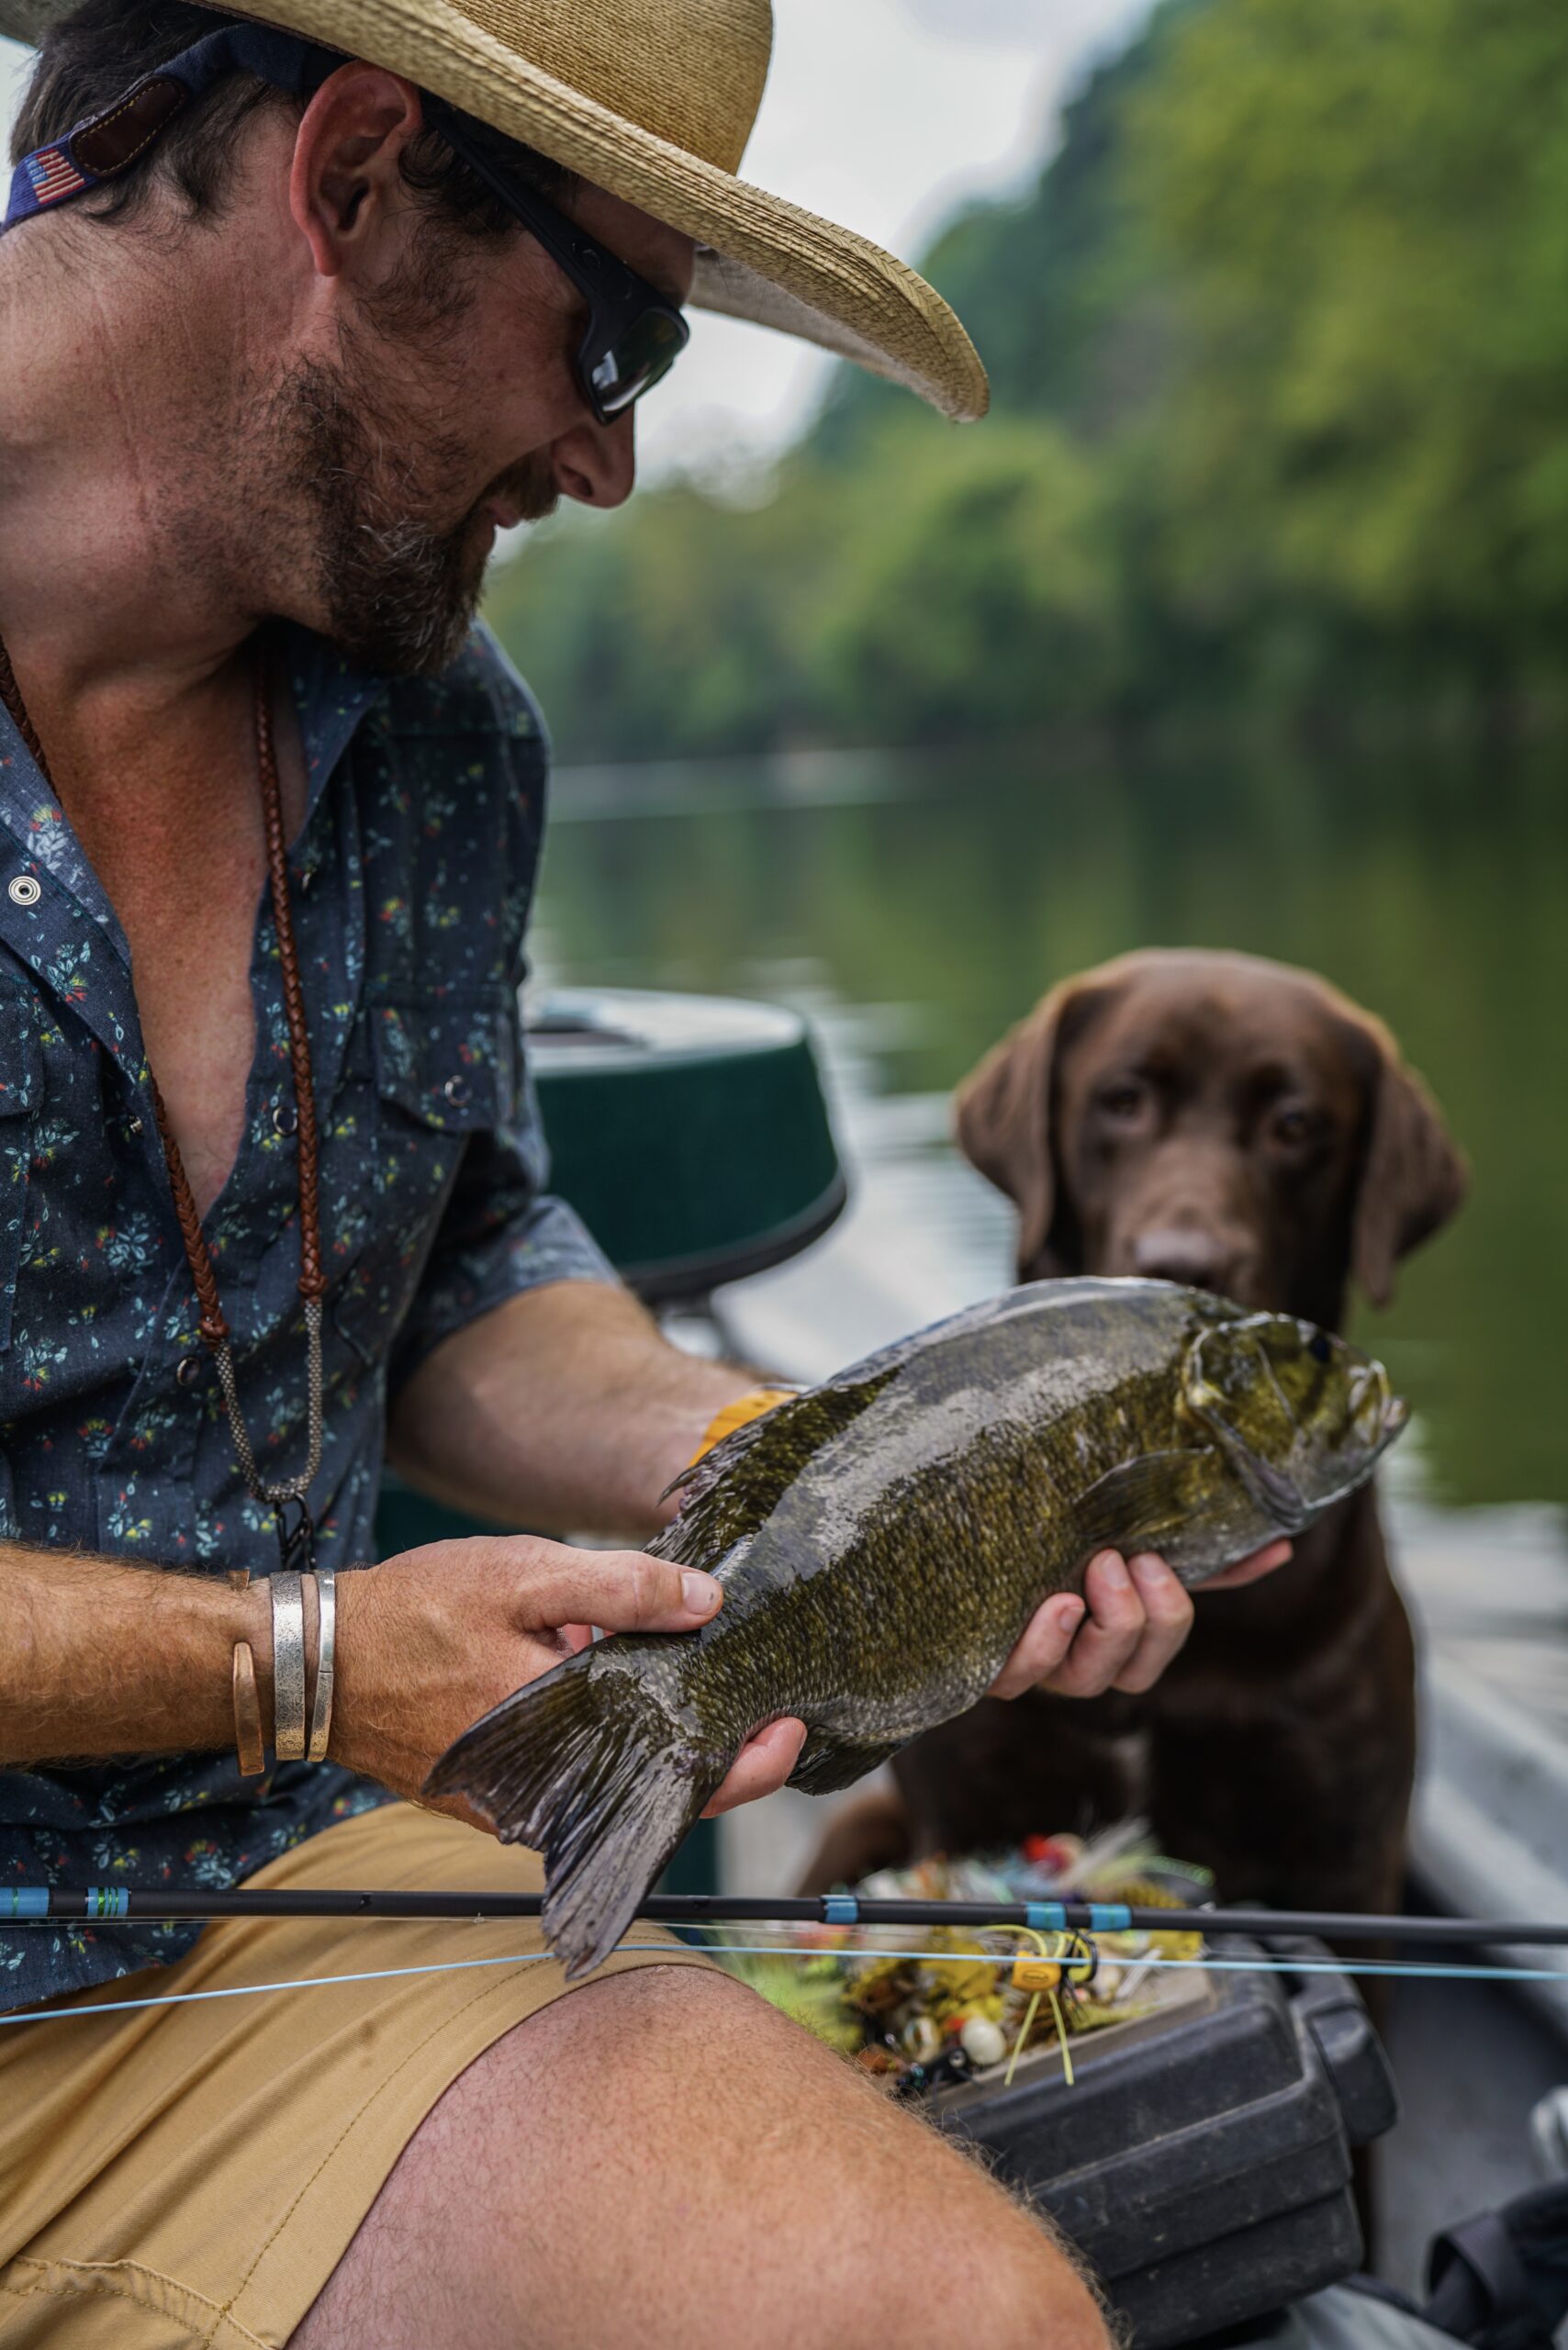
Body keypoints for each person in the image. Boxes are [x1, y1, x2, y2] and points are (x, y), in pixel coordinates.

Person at [0, 2, 1294, 2341]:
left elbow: (468, 1257)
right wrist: (302, 1655)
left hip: (244, 1910)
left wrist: (812, 1478)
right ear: (359, 174)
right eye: (616, 342)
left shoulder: (435, 727)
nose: (603, 463)